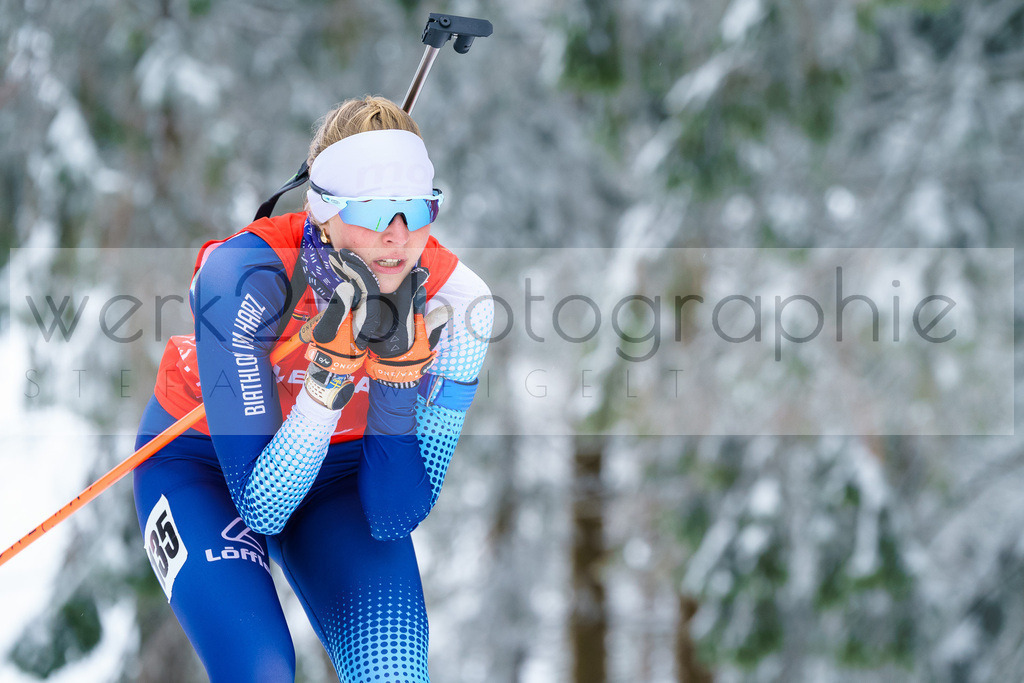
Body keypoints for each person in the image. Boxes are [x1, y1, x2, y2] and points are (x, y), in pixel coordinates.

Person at [133, 95, 492, 682]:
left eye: (416, 208)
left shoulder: (461, 304)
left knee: (393, 671)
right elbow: (262, 506)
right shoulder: (241, 277)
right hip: (199, 465)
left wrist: (396, 386)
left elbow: (394, 514)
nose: (398, 237)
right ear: (322, 210)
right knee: (260, 670)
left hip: (339, 475)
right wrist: (327, 383)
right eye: (374, 212)